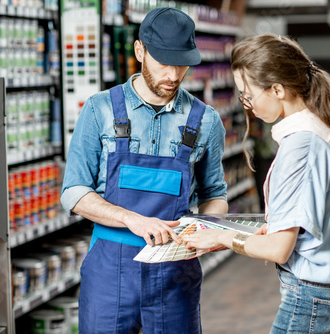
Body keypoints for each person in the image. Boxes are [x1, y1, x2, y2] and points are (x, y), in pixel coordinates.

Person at [182, 33, 330, 334]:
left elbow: (278, 250)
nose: (247, 106)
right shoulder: (325, 130)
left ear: (276, 89)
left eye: (248, 95)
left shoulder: (300, 149)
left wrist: (219, 238)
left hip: (313, 301)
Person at [60, 7, 228, 333]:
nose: (173, 74)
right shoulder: (100, 109)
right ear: (140, 51)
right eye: (164, 61)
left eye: (182, 64)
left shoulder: (206, 121)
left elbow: (215, 194)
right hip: (110, 270)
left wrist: (206, 225)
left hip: (174, 270)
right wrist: (132, 220)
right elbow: (74, 192)